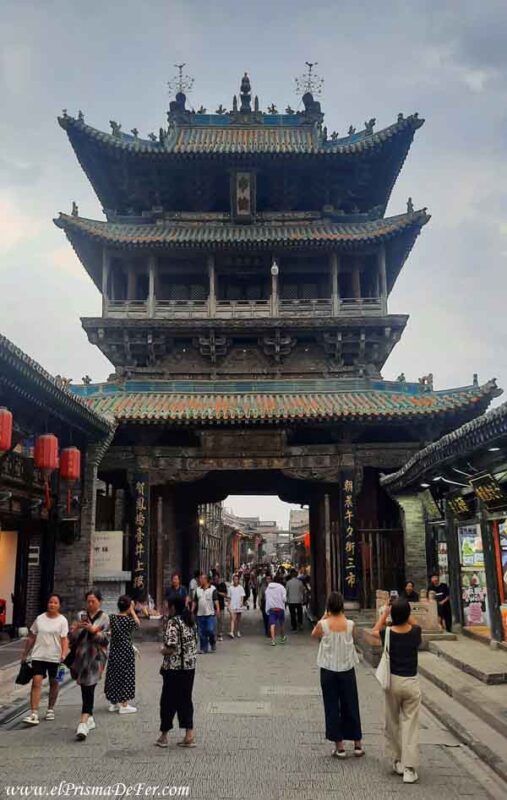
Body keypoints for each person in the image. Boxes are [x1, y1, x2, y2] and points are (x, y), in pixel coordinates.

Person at [371, 598, 422, 784]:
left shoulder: (388, 634)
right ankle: (410, 768)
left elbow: (374, 631)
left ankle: (398, 760)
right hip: (411, 682)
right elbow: (414, 623)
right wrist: (406, 614)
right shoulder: (416, 632)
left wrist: (385, 614)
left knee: (392, 722)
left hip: (392, 682)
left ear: (393, 615)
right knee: (411, 724)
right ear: (408, 614)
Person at [311, 591, 364, 758]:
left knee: (332, 705)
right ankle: (357, 745)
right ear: (342, 606)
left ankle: (339, 746)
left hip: (328, 670)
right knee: (351, 704)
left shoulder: (323, 624)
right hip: (347, 669)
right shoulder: (350, 624)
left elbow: (314, 635)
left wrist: (324, 616)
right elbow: (354, 639)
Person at [156, 595, 198, 749]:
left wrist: (162, 650)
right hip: (189, 667)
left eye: (168, 605)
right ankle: (189, 735)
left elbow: (171, 646)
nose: (167, 608)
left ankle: (164, 736)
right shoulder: (191, 621)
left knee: (168, 701)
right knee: (186, 700)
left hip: (174, 669)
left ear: (173, 607)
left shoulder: (173, 623)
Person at [21, 594, 69, 725]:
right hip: (38, 655)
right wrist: (25, 654)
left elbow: (64, 639)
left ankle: (50, 709)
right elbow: (32, 637)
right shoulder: (39, 619)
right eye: (50, 602)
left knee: (55, 683)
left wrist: (63, 655)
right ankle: (34, 713)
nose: (52, 605)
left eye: (55, 603)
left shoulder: (62, 621)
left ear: (59, 605)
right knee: (36, 682)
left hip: (55, 658)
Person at [69, 590, 110, 741]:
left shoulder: (105, 618)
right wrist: (75, 629)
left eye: (93, 601)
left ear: (99, 601)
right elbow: (72, 638)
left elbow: (106, 640)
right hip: (81, 656)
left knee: (90, 685)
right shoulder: (81, 616)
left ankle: (83, 721)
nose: (90, 604)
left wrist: (94, 631)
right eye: (88, 601)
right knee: (85, 686)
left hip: (96, 657)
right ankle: (90, 716)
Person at [104, 595, 140, 714]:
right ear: (129, 606)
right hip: (126, 650)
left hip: (114, 649)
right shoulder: (130, 621)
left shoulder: (112, 618)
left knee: (114, 674)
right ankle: (124, 704)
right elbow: (138, 623)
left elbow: (109, 631)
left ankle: (113, 703)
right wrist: (132, 611)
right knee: (126, 675)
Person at [193, 573, 220, 653]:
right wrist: (192, 610)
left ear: (206, 580)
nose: (200, 580)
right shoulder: (198, 590)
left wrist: (218, 609)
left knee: (210, 630)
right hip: (200, 614)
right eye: (200, 579)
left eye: (202, 579)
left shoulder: (212, 589)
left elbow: (216, 600)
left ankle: (212, 642)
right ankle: (203, 648)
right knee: (201, 632)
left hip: (210, 614)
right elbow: (195, 601)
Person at [265, 576, 287, 645]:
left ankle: (273, 640)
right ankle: (282, 637)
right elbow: (284, 599)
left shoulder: (268, 588)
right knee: (281, 623)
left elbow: (266, 597)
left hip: (272, 608)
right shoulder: (282, 588)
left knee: (272, 624)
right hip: (280, 608)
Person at [227, 574, 246, 638]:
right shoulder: (230, 588)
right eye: (234, 579)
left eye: (237, 579)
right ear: (233, 580)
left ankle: (238, 631)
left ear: (238, 580)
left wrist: (241, 602)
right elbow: (229, 597)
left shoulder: (241, 587)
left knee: (238, 620)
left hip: (238, 605)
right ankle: (232, 632)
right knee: (232, 619)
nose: (235, 580)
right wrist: (228, 605)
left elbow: (242, 596)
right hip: (232, 605)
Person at [212, 572, 228, 641]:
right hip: (213, 606)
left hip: (221, 605)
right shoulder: (212, 585)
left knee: (220, 621)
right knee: (213, 621)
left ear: (219, 578)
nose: (216, 580)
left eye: (217, 578)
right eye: (214, 579)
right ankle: (213, 634)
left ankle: (220, 634)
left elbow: (225, 594)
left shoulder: (222, 584)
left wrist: (218, 592)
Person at [258, 572, 271, 637]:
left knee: (271, 618)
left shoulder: (273, 587)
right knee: (265, 618)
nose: (268, 580)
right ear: (265, 580)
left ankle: (270, 631)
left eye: (269, 579)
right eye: (267, 579)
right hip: (265, 603)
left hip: (272, 604)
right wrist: (259, 602)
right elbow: (260, 595)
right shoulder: (263, 587)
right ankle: (267, 630)